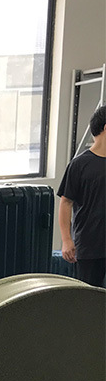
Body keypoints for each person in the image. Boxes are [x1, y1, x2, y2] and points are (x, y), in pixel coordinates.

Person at [57, 103, 106, 287]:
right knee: (88, 297)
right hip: (89, 247)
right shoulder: (79, 164)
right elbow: (66, 202)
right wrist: (66, 240)